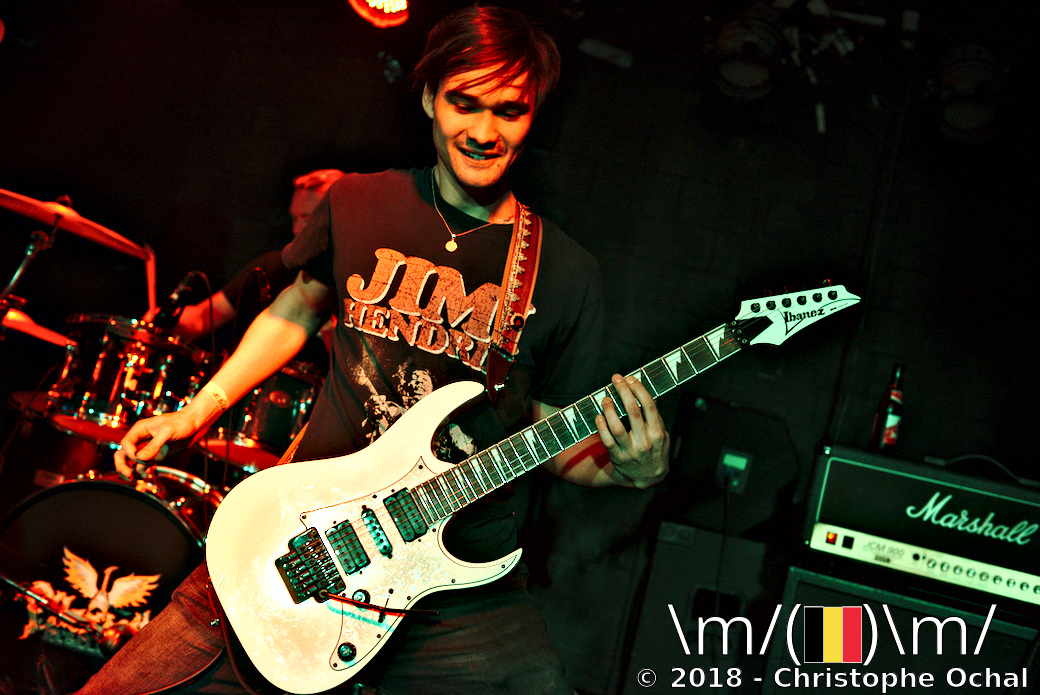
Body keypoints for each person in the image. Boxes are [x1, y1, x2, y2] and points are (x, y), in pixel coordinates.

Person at [74, 6, 670, 694]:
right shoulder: (358, 202)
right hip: (302, 536)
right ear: (429, 98)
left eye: (509, 110)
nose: (484, 132)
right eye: (464, 103)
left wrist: (630, 470)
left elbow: (555, 437)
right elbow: (298, 307)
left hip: (458, 594)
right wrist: (194, 412)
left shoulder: (566, 273)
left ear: (533, 115)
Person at [164, 169, 347, 343]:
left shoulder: (355, 275)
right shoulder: (275, 267)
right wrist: (160, 321)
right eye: (294, 218)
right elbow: (202, 318)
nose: (296, 229)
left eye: (307, 219)